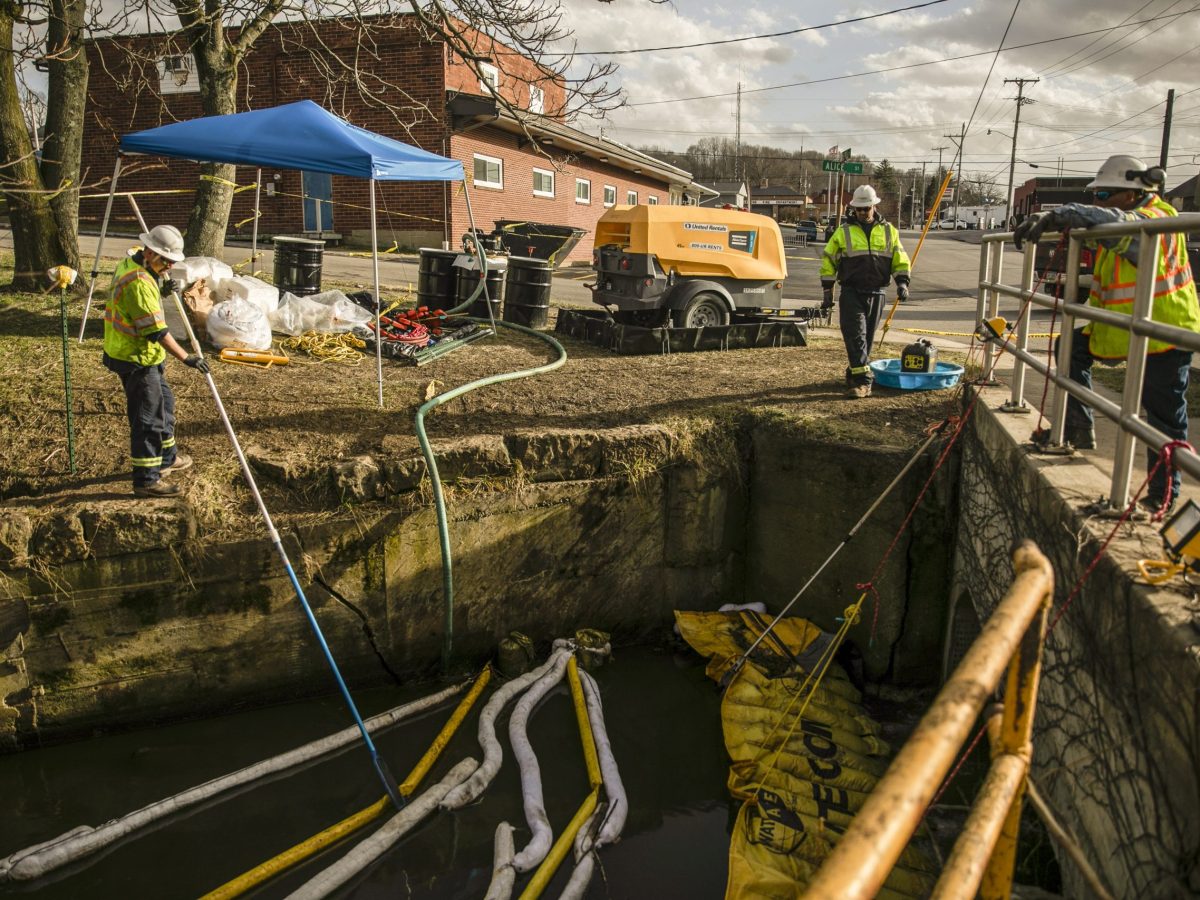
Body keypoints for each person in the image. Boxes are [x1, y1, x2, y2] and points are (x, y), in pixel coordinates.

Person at [1014, 154, 1200, 513]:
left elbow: (1119, 223)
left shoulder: (1155, 219)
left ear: (1130, 194)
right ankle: (1077, 428)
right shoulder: (1128, 220)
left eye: (1102, 195)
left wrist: (1058, 214)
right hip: (1129, 328)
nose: (1096, 202)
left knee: (1161, 420)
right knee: (1069, 345)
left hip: (1165, 332)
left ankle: (1162, 495)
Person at [102, 224, 209, 498]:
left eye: (173, 262)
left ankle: (167, 458)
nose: (170, 267)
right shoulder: (137, 282)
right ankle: (147, 480)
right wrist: (188, 358)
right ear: (150, 253)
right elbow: (157, 332)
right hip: (135, 358)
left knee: (166, 406)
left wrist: (161, 289)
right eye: (166, 262)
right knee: (148, 419)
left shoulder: (137, 265)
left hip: (143, 356)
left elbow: (138, 305)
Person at [820, 185, 912, 398]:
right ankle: (864, 382)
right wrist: (827, 291)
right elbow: (828, 261)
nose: (862, 212)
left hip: (877, 292)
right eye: (858, 209)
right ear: (854, 209)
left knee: (867, 339)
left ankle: (854, 372)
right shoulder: (843, 233)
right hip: (851, 292)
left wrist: (902, 283)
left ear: (874, 207)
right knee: (856, 336)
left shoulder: (890, 231)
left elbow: (900, 259)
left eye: (866, 208)